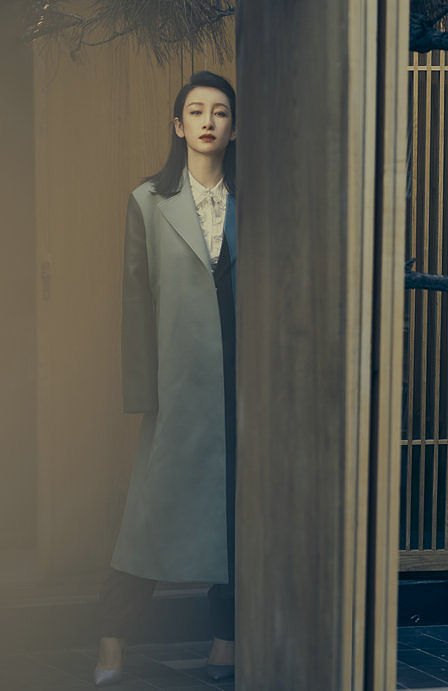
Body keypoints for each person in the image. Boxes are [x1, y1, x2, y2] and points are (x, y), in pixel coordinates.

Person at [94, 71, 238, 687]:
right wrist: (144, 395)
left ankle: (226, 643)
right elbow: (135, 300)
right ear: (178, 126)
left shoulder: (254, 201)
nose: (208, 121)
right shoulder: (148, 201)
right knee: (147, 521)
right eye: (196, 111)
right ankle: (111, 642)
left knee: (237, 518)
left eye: (221, 112)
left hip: (240, 385)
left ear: (233, 128)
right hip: (175, 387)